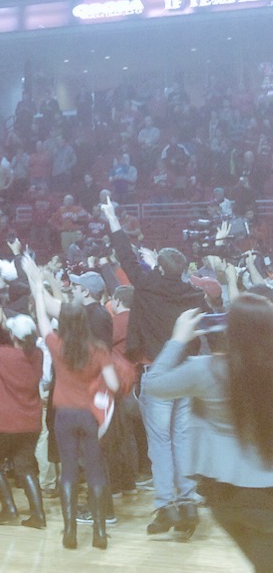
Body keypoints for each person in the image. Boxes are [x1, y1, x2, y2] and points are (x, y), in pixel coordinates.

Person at [143, 297, 273, 573]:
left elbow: (154, 385)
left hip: (224, 494)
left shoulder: (206, 370)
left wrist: (177, 340)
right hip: (266, 494)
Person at [101, 196, 207, 535]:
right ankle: (187, 503)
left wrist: (111, 217)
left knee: (160, 443)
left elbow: (126, 256)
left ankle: (166, 507)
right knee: (182, 439)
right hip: (188, 374)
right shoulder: (192, 294)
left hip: (157, 373)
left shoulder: (147, 284)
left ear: (159, 267)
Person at [25, 256, 119, 550]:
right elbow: (114, 385)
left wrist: (37, 286)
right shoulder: (100, 350)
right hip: (90, 415)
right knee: (94, 471)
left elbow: (42, 320)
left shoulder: (57, 346)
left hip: (63, 415)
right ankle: (100, 534)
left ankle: (69, 532)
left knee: (67, 471)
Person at [0, 303, 45, 529]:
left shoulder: (3, 355)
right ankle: (38, 514)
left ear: (13, 336)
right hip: (31, 420)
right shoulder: (37, 355)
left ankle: (9, 508)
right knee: (26, 466)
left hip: (5, 421)